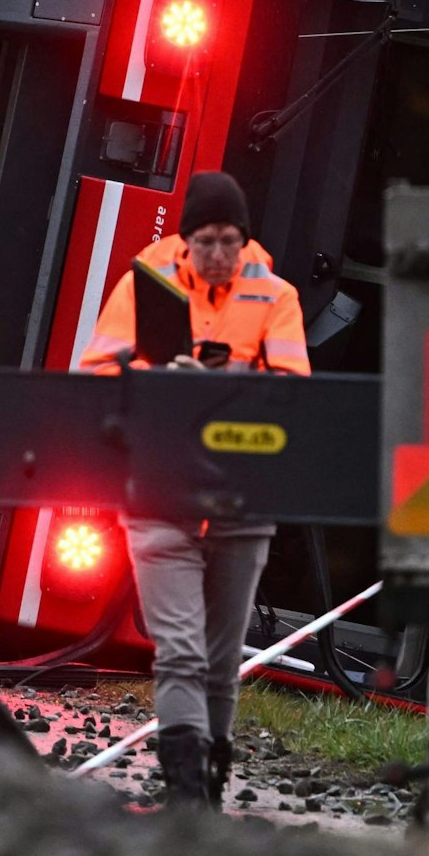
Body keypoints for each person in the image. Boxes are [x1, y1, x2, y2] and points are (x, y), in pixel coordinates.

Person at [78, 170, 310, 809]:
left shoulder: (276, 296)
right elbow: (95, 374)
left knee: (219, 655)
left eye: (229, 241)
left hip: (241, 497)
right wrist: (162, 379)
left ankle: (208, 779)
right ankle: (185, 793)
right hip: (158, 491)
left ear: (245, 239)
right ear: (185, 242)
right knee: (180, 650)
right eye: (205, 241)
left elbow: (294, 393)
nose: (217, 256)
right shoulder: (143, 285)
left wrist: (223, 385)